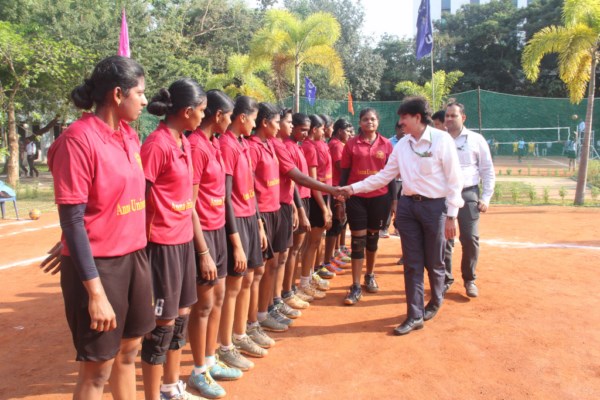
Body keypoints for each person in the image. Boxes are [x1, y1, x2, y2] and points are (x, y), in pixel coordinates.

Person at [47, 55, 155, 400]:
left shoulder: (128, 136)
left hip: (134, 257)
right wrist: (95, 294)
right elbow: (73, 218)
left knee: (129, 352)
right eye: (140, 93)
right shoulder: (78, 140)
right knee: (97, 369)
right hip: (101, 269)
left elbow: (113, 201)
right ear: (118, 93)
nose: (144, 100)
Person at [339, 96, 464, 335]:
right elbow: (384, 176)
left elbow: (454, 179)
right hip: (408, 208)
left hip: (435, 208)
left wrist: (451, 215)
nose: (401, 123)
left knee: (434, 261)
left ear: (417, 118)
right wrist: (352, 188)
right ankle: (414, 314)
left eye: (404, 118)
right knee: (413, 263)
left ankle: (436, 300)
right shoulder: (403, 145)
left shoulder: (441, 140)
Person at [140, 78, 206, 400]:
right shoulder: (157, 144)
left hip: (182, 243)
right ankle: (155, 395)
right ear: (187, 111)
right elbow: (141, 194)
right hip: (162, 244)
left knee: (181, 318)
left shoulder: (185, 142)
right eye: (202, 111)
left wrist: (199, 247)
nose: (203, 118)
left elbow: (188, 201)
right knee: (161, 325)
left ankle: (171, 387)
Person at [187, 89, 243, 399]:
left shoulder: (212, 144)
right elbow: (190, 203)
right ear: (218, 116)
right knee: (204, 304)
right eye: (229, 115)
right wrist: (203, 250)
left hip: (218, 229)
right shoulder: (196, 146)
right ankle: (198, 371)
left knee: (218, 297)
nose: (232, 121)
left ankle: (210, 360)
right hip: (204, 234)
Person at [217, 96, 267, 372]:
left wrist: (258, 222)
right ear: (241, 117)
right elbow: (226, 196)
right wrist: (235, 239)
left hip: (249, 218)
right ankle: (226, 346)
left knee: (247, 280)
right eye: (253, 117)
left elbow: (252, 190)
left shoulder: (241, 145)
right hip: (235, 221)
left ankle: (241, 333)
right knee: (233, 287)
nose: (255, 122)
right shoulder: (226, 145)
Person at [339, 108, 394, 305]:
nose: (369, 122)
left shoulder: (387, 145)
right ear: (360, 123)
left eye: (372, 119)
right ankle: (354, 285)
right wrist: (341, 199)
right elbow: (344, 174)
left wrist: (394, 201)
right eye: (365, 119)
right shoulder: (351, 145)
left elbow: (391, 176)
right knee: (357, 241)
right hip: (356, 198)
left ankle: (369, 275)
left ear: (377, 122)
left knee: (372, 240)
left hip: (380, 198)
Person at [442, 102, 495, 299]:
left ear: (463, 117)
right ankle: (445, 280)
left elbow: (487, 169)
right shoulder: (439, 139)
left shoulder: (476, 139)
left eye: (453, 115)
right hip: (443, 196)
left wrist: (486, 197)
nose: (449, 119)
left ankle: (469, 279)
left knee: (470, 238)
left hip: (468, 194)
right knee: (444, 240)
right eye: (447, 115)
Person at [322, 118, 353, 275]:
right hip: (335, 188)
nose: (349, 134)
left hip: (339, 188)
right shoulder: (335, 145)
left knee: (340, 223)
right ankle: (328, 260)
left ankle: (335, 253)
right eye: (347, 131)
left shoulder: (340, 144)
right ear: (340, 131)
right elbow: (340, 165)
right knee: (335, 224)